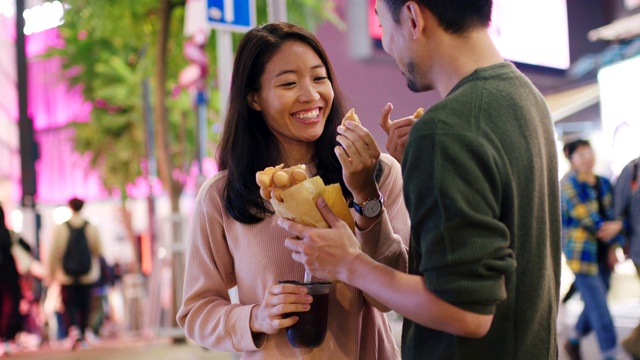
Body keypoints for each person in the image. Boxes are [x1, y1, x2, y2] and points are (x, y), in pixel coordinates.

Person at [278, 1, 562, 359]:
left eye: (384, 28)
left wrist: (349, 262)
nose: (387, 46)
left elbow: (468, 312)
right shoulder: (526, 98)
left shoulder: (446, 128)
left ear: (412, 18)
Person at [176, 22, 410, 359]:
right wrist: (254, 316)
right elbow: (196, 312)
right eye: (288, 83)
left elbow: (388, 296)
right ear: (254, 98)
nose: (311, 95)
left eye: (319, 78)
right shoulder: (222, 195)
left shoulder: (377, 171)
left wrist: (365, 196)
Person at [560, 139, 623, 360]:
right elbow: (586, 216)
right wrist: (614, 228)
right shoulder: (568, 185)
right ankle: (610, 355)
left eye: (589, 152)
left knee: (597, 304)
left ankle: (574, 340)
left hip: (605, 254)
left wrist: (614, 244)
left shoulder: (604, 182)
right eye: (581, 155)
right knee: (601, 311)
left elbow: (613, 213)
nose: (587, 158)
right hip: (581, 256)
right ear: (572, 160)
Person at [47, 197, 102, 350]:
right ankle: (83, 333)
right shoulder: (91, 227)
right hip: (87, 274)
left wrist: (51, 273)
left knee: (69, 304)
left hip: (66, 276)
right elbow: (98, 250)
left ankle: (74, 331)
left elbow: (53, 252)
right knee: (85, 304)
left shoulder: (61, 228)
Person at [613, 156, 640, 360]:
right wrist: (617, 245)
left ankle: (634, 344)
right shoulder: (633, 169)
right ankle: (633, 344)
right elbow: (619, 211)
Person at [0, 205, 24, 356]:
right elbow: (28, 247)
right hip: (8, 275)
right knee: (10, 306)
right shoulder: (8, 234)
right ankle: (7, 338)